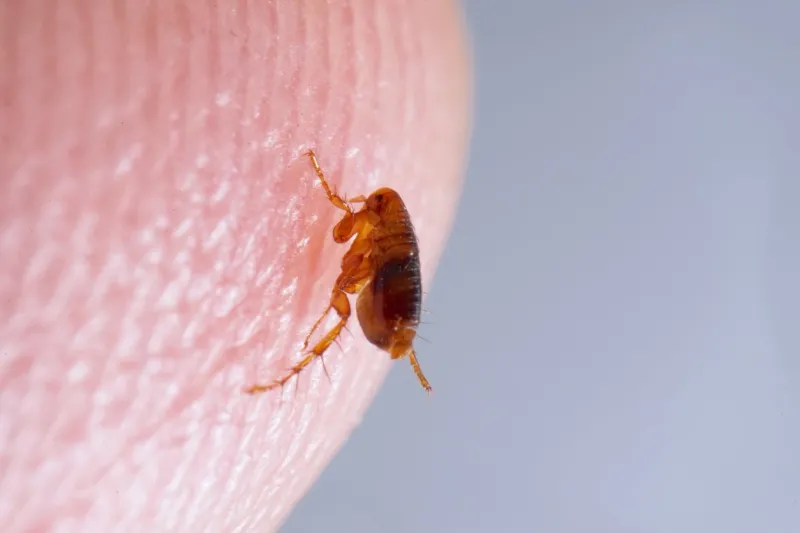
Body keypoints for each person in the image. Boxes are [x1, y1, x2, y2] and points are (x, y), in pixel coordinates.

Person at [0, 0, 471, 531]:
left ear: (379, 211)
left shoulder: (382, 239)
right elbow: (347, 232)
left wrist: (330, 196)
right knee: (339, 306)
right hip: (390, 305)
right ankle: (298, 367)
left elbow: (346, 232)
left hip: (391, 311)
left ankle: (290, 374)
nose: (362, 207)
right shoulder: (381, 233)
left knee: (340, 310)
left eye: (369, 205)